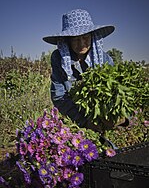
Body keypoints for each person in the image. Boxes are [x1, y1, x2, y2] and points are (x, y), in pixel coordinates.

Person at [42, 9, 120, 137]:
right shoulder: (59, 58)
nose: (82, 44)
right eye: (75, 39)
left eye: (85, 38)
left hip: (103, 120)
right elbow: (59, 96)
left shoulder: (105, 59)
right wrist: (84, 122)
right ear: (67, 40)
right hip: (75, 118)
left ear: (92, 36)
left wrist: (117, 117)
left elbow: (115, 93)